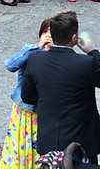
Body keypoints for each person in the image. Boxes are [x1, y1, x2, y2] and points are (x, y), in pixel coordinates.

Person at [22, 11, 100, 163]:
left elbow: (28, 97)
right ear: (73, 38)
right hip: (81, 142)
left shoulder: (35, 60)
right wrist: (92, 51)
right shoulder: (86, 63)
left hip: (49, 141)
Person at [0, 18, 53, 168]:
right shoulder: (32, 51)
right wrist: (38, 46)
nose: (50, 36)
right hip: (25, 109)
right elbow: (9, 65)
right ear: (41, 33)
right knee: (21, 144)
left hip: (44, 112)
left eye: (53, 33)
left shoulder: (59, 55)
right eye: (47, 32)